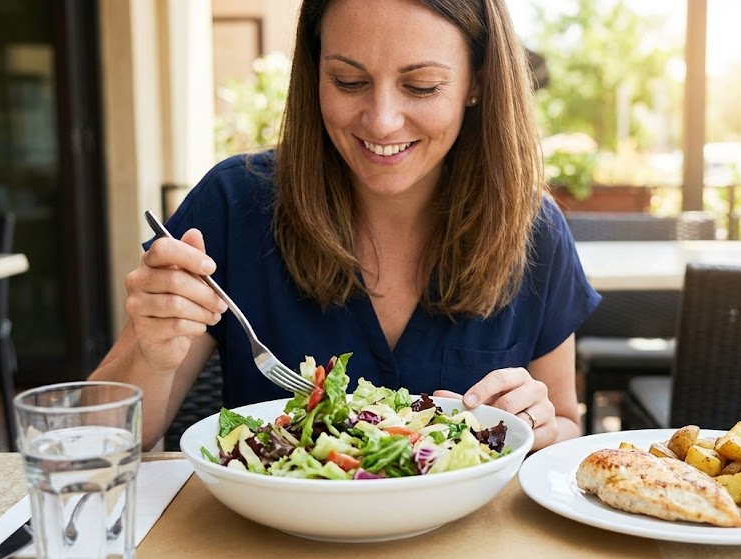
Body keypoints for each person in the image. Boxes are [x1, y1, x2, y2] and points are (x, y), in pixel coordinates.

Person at [89, 0, 600, 453]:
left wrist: (541, 426)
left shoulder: (532, 229)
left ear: (477, 83)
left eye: (421, 87)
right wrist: (151, 356)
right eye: (348, 81)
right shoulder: (233, 204)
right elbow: (100, 439)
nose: (380, 121)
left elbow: (567, 426)